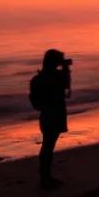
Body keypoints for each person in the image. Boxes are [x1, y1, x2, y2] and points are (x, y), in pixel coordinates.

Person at [30, 48, 71, 189]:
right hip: (56, 113)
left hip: (46, 114)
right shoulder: (57, 76)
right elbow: (66, 86)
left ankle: (44, 176)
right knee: (48, 146)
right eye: (59, 60)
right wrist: (66, 69)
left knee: (47, 144)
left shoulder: (37, 79)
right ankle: (45, 178)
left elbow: (36, 102)